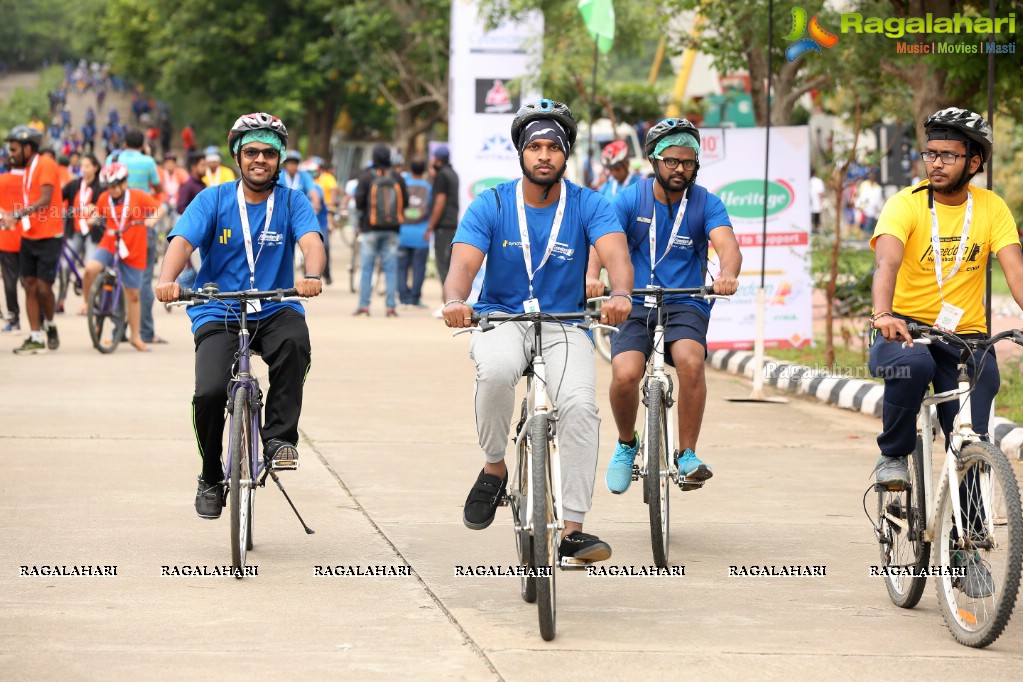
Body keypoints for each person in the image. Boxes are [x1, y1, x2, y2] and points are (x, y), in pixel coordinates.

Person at [444, 99, 634, 563]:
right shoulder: (491, 203)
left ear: (566, 156)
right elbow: (462, 266)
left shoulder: (590, 204)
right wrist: (454, 300)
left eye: (554, 147)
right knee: (494, 373)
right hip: (500, 318)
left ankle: (573, 529)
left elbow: (616, 258)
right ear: (521, 154)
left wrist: (621, 294)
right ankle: (493, 469)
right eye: (536, 147)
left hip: (565, 324)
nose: (544, 155)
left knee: (579, 408)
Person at [154, 112, 326, 520]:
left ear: (279, 160)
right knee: (210, 392)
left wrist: (312, 274)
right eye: (251, 152)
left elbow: (312, 241)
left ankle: (280, 439)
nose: (260, 159)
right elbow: (182, 241)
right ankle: (211, 474)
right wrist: (166, 280)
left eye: (269, 152)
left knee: (294, 343)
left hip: (275, 303)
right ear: (237, 156)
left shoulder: (292, 201)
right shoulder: (212, 199)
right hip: (219, 306)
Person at [869, 107, 1023, 494]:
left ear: (974, 162)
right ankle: (894, 454)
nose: (935, 164)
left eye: (948, 156)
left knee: (972, 434)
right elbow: (886, 262)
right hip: (905, 327)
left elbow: (1016, 272)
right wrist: (883, 314)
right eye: (930, 154)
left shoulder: (991, 208)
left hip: (964, 336)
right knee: (913, 363)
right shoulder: (905, 204)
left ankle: (966, 542)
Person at [587, 117, 742, 494]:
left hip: (685, 300)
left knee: (690, 360)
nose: (680, 169)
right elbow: (601, 241)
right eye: (671, 161)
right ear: (654, 160)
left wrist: (727, 274)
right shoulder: (630, 198)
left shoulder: (706, 202)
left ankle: (687, 454)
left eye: (688, 162)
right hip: (633, 299)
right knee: (625, 374)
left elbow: (728, 246)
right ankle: (627, 443)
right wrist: (594, 277)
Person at [81, 163, 164, 351]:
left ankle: (135, 337)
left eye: (115, 185)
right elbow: (98, 211)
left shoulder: (138, 196)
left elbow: (159, 208)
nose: (112, 190)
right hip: (110, 243)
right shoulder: (105, 198)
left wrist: (152, 219)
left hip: (134, 248)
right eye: (108, 186)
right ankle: (88, 304)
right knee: (90, 270)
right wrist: (93, 216)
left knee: (133, 295)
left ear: (124, 183)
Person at [3, 126, 64, 354]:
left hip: (49, 235)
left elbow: (45, 199)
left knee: (43, 289)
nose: (11, 154)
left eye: (14, 149)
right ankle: (36, 336)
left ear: (28, 148)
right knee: (28, 286)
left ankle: (50, 325)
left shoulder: (45, 164)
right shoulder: (26, 169)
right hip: (29, 235)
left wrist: (16, 215)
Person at [106, 128, 165, 346]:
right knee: (142, 280)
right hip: (141, 223)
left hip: (117, 224)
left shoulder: (113, 158)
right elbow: (158, 188)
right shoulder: (148, 161)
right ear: (142, 144)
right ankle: (146, 331)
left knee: (116, 278)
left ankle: (118, 330)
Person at [353, 144, 407, 317]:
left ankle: (364, 306)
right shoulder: (398, 178)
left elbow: (359, 203)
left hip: (370, 229)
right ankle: (390, 306)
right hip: (393, 229)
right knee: (391, 268)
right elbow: (404, 202)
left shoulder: (366, 177)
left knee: (367, 267)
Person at [424, 146, 459, 309]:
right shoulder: (452, 174)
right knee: (448, 265)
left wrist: (430, 226)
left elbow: (440, 201)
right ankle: (449, 301)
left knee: (443, 265)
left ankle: (447, 303)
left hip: (443, 226)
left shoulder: (441, 176)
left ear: (437, 160)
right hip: (451, 224)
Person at [60, 153, 102, 278]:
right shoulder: (74, 184)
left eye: (87, 166)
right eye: (82, 166)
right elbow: (58, 196)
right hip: (75, 230)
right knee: (65, 265)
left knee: (91, 267)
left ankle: (90, 296)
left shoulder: (101, 187)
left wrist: (95, 208)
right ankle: (62, 296)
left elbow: (106, 205)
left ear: (95, 168)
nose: (83, 169)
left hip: (93, 232)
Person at [397, 158, 431, 307]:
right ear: (423, 171)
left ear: (410, 170)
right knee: (419, 268)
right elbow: (430, 208)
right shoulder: (428, 188)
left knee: (402, 267)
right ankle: (414, 298)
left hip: (402, 233)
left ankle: (403, 297)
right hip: (421, 235)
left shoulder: (403, 185)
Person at [0, 165, 23, 332]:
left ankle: (14, 318)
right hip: (32, 236)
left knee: (9, 280)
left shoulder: (2, 181)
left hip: (8, 236)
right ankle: (42, 319)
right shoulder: (32, 180)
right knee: (34, 283)